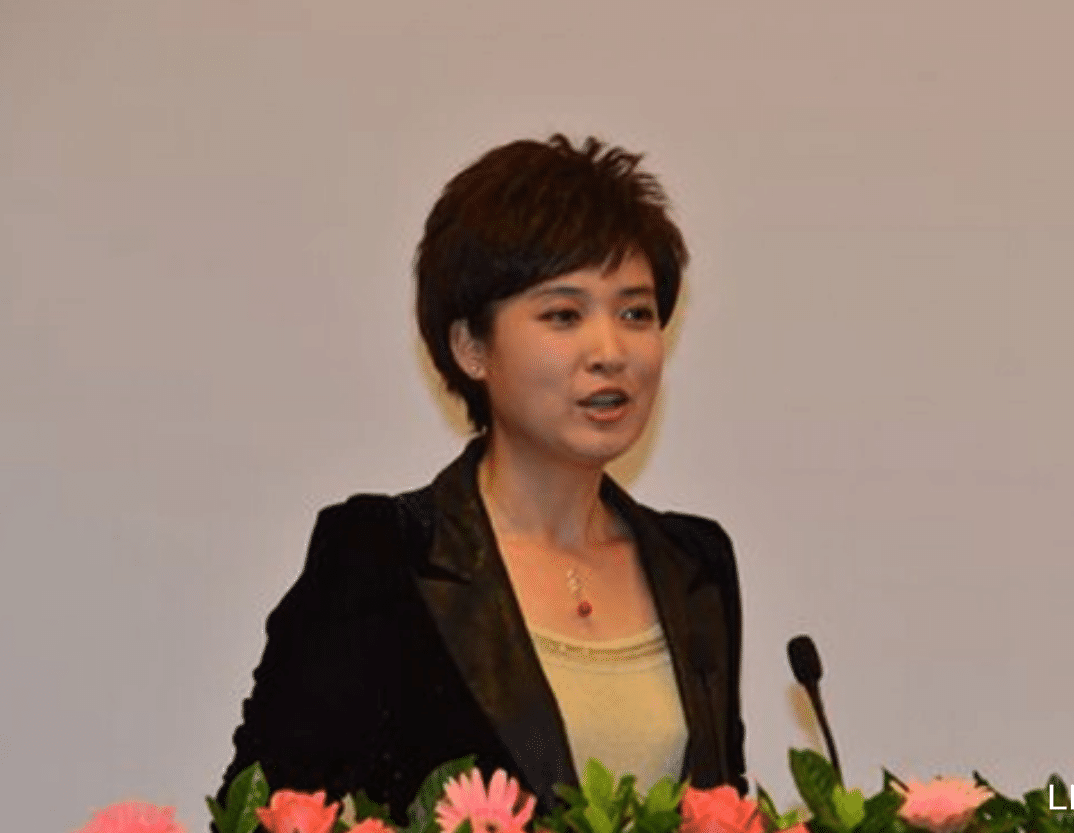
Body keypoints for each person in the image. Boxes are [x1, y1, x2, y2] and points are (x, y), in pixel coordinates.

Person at [216, 135, 747, 824]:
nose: (611, 352)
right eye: (563, 315)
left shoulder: (695, 565)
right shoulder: (383, 558)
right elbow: (266, 812)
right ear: (471, 346)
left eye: (635, 313)